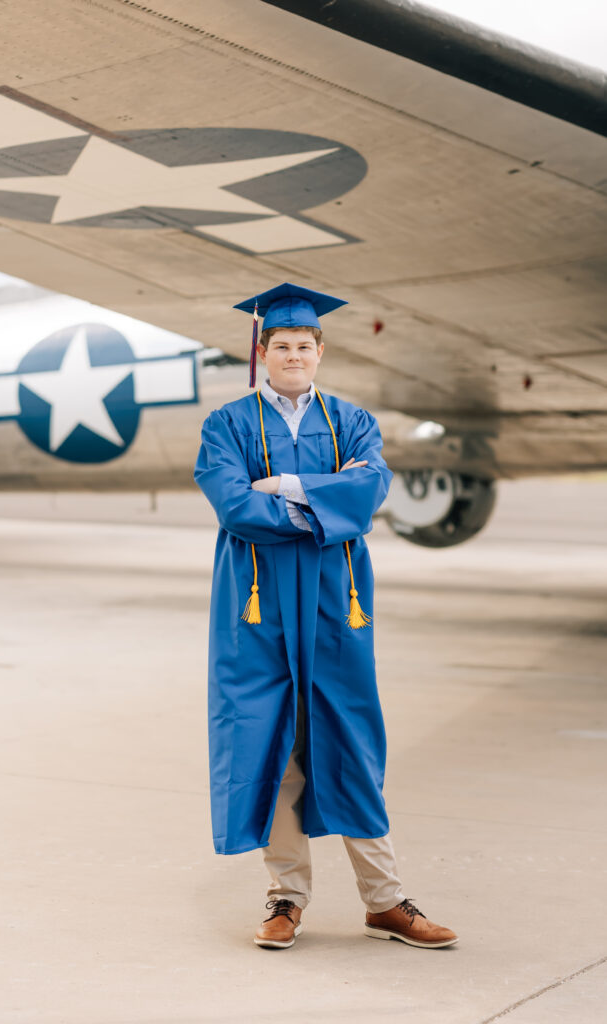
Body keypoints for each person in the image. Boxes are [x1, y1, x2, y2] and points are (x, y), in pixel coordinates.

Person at [194, 283, 457, 950]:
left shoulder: (351, 422)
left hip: (336, 606)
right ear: (262, 352)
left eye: (303, 347)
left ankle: (386, 900)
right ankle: (285, 898)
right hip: (254, 608)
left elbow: (367, 491)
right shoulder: (226, 424)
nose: (292, 355)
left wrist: (282, 487)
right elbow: (232, 506)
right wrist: (321, 509)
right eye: (280, 346)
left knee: (349, 742)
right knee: (271, 744)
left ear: (319, 353)